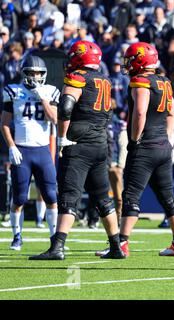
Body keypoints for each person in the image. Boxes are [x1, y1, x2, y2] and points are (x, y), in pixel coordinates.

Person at [29, 41, 124, 260]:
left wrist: (62, 137)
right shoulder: (105, 80)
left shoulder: (78, 77)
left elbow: (66, 107)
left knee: (69, 196)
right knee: (102, 198)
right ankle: (116, 246)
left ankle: (57, 247)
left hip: (79, 143)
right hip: (100, 143)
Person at [100, 42, 174, 258]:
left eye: (130, 58)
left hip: (146, 146)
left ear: (140, 60)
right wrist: (166, 136)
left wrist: (134, 140)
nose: (127, 63)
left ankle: (121, 243)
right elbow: (173, 111)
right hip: (162, 146)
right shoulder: (164, 81)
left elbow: (139, 113)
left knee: (131, 195)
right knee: (168, 196)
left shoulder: (140, 81)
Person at [1, 55, 59, 250]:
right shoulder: (13, 91)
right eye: (32, 73)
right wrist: (11, 146)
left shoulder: (50, 91)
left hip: (42, 150)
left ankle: (54, 239)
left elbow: (54, 119)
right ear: (24, 73)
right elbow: (5, 124)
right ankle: (17, 236)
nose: (35, 76)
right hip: (22, 150)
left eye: (39, 73)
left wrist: (42, 96)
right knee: (19, 198)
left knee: (51, 195)